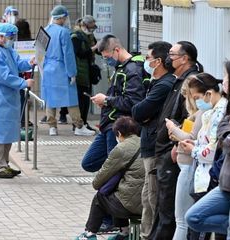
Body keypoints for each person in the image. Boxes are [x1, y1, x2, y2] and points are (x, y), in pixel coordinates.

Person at [149, 41, 203, 240]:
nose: (168, 58)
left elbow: (190, 117)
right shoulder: (177, 79)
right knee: (162, 204)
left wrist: (175, 143)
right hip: (165, 148)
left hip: (175, 152)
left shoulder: (192, 80)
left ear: (184, 58)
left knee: (170, 210)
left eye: (172, 55)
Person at [183, 59, 230, 239]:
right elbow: (224, 133)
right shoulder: (223, 110)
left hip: (216, 176)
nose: (224, 82)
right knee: (193, 218)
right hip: (221, 177)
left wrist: (193, 150)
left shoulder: (221, 109)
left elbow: (217, 145)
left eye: (227, 77)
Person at [131, 41, 175, 239]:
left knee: (153, 196)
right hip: (148, 143)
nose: (145, 62)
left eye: (147, 58)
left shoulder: (165, 84)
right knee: (147, 197)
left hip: (155, 146)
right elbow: (140, 113)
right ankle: (145, 234)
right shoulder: (156, 83)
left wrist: (142, 113)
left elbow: (138, 111)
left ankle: (150, 235)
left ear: (157, 61)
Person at [83, 34, 146, 172]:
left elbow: (133, 102)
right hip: (108, 124)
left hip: (120, 125)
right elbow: (120, 97)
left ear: (116, 50)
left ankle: (113, 190)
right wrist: (106, 101)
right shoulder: (121, 67)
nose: (107, 61)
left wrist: (106, 100)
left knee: (114, 169)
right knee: (89, 162)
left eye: (107, 57)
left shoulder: (133, 70)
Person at [75, 116, 144, 240]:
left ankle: (90, 233)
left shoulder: (120, 149)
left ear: (118, 133)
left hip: (130, 206)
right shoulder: (145, 142)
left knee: (101, 197)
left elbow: (97, 182)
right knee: (120, 192)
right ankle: (124, 231)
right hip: (148, 203)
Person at [0, 23, 34, 178]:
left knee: (8, 133)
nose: (12, 40)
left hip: (8, 97)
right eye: (10, 37)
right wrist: (24, 83)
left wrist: (29, 63)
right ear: (1, 36)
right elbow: (3, 76)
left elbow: (17, 63)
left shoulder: (6, 48)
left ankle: (4, 164)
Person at [42, 5, 95, 137]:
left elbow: (39, 51)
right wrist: (72, 73)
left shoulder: (45, 30)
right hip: (61, 69)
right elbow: (68, 55)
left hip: (48, 68)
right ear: (60, 18)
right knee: (71, 99)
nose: (66, 20)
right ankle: (78, 126)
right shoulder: (64, 32)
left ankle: (52, 127)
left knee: (50, 99)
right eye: (65, 17)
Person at [164, 75, 203, 240]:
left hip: (189, 167)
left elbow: (191, 138)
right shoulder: (197, 113)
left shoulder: (202, 113)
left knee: (181, 220)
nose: (186, 100)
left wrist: (173, 129)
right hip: (186, 165)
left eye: (188, 95)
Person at [71, 15, 98, 132]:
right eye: (91, 27)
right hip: (79, 72)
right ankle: (79, 125)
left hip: (88, 71)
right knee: (81, 99)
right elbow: (79, 53)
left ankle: (85, 123)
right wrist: (93, 49)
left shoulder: (90, 35)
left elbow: (96, 48)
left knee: (87, 98)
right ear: (84, 25)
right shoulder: (75, 37)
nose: (92, 30)